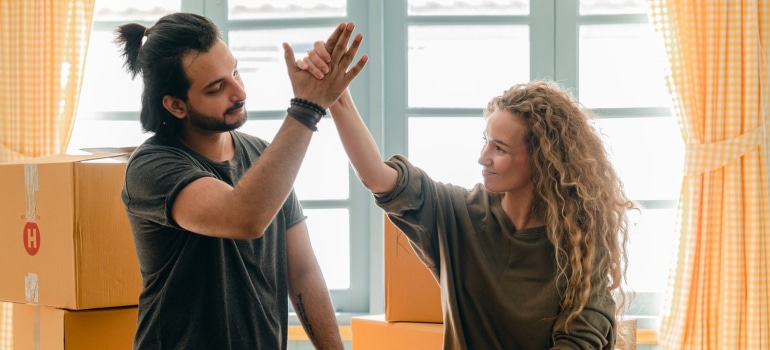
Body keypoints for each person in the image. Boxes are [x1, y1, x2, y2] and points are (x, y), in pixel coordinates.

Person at [300, 45, 633, 349]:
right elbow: (378, 177)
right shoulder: (456, 214)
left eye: (499, 148)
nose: (482, 157)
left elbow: (583, 336)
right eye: (485, 140)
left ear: (542, 160)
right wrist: (338, 96)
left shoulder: (578, 238)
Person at [115, 13, 367, 349]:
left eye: (234, 71)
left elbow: (303, 272)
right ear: (176, 105)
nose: (239, 91)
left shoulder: (264, 156)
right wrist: (308, 107)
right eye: (217, 87)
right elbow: (244, 217)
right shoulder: (151, 167)